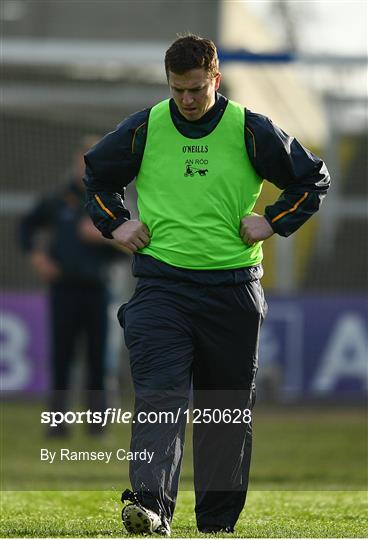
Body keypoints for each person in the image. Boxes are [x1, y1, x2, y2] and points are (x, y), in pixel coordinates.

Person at [83, 35, 330, 535]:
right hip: (161, 287)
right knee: (159, 394)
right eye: (178, 91)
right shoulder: (145, 128)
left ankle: (216, 523)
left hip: (233, 290)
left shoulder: (251, 130)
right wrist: (116, 223)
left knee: (226, 409)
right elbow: (96, 175)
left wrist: (273, 220)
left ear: (215, 79)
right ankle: (149, 505)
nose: (187, 101)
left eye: (196, 89)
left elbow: (313, 179)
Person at [20, 136, 123, 436]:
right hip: (63, 289)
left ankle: (98, 427)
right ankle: (56, 425)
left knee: (99, 359)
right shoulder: (57, 199)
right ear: (77, 161)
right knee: (61, 357)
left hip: (100, 291)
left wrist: (104, 235)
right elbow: (27, 227)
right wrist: (38, 257)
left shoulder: (112, 201)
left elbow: (132, 245)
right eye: (84, 159)